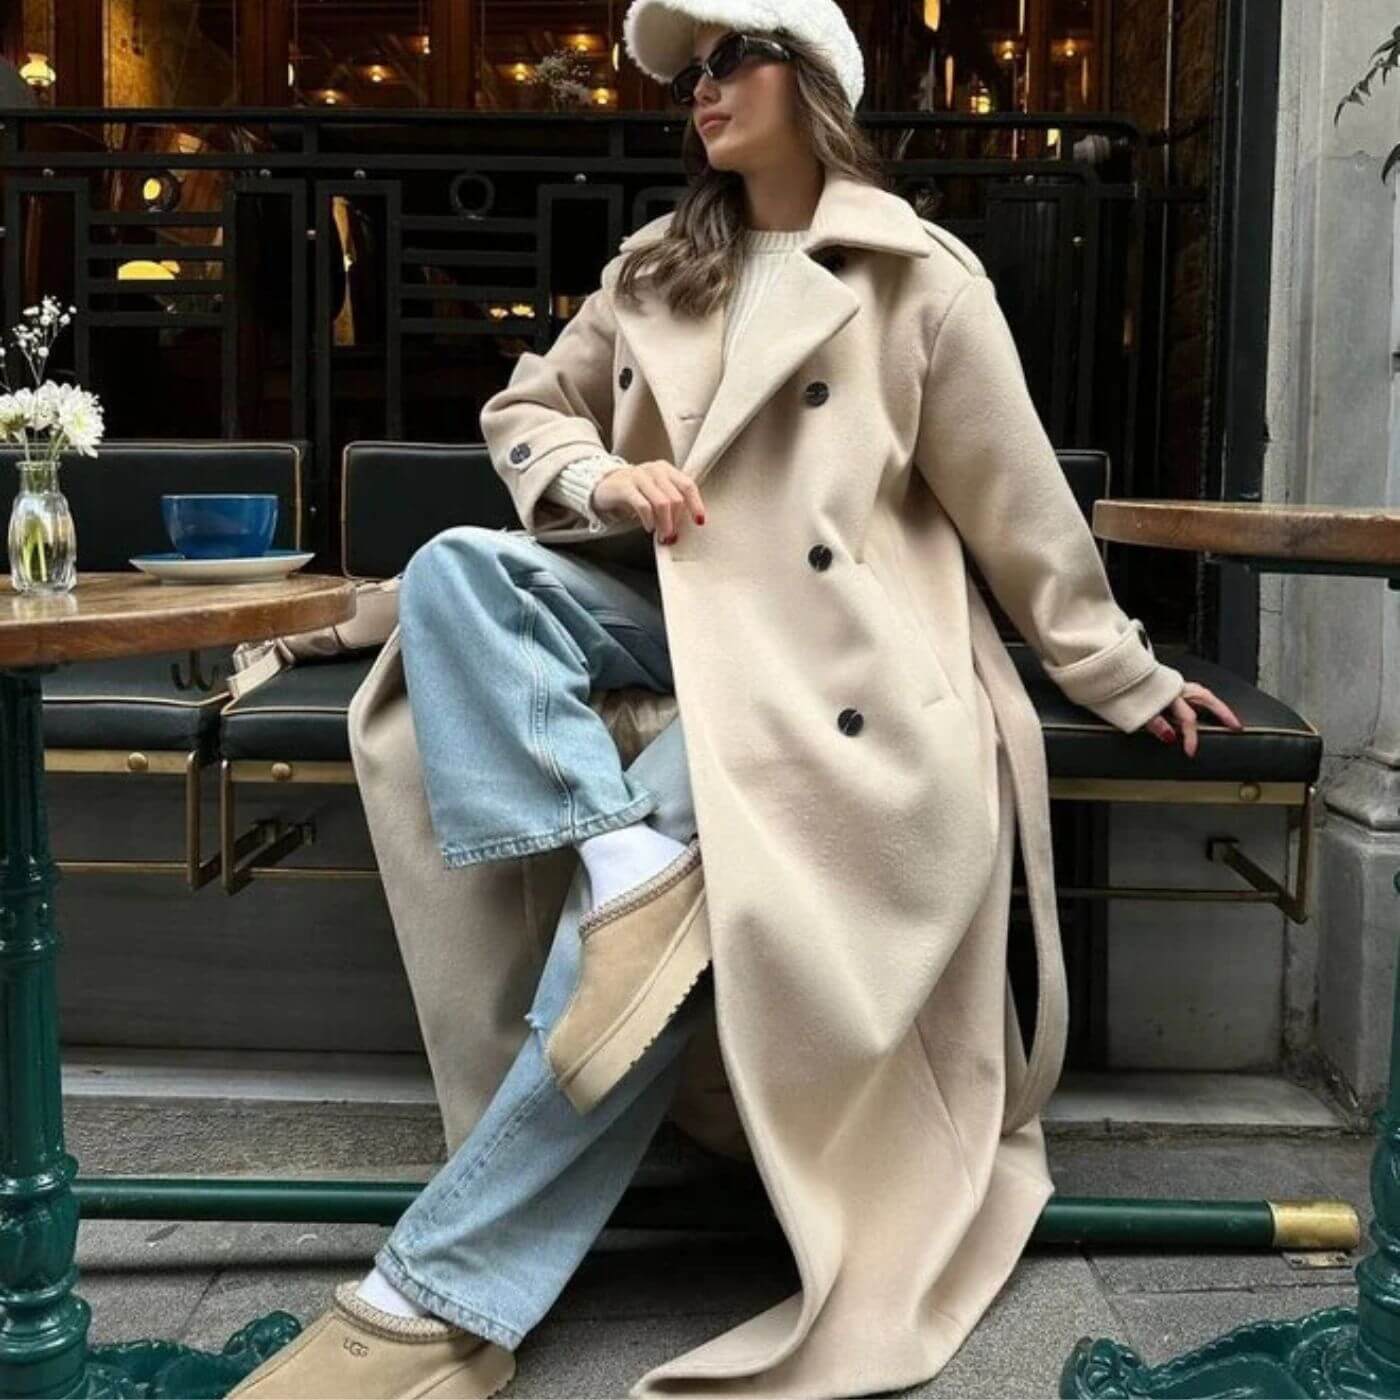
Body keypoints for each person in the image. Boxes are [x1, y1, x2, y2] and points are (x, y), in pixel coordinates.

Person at [230, 7, 1243, 1397]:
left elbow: (1021, 511)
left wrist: (1123, 674)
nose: (700, 91)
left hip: (825, 669)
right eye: (689, 73)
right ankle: (617, 858)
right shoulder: (655, 265)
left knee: (627, 960)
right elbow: (526, 411)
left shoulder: (919, 279)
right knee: (462, 567)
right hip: (667, 615)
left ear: (811, 80)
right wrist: (600, 477)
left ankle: (429, 1298)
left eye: (728, 60)